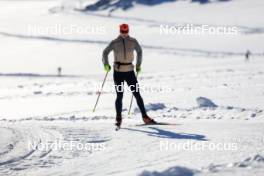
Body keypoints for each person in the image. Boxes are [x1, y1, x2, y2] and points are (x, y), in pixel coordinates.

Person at [102, 23, 156, 127]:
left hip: (130, 72)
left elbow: (140, 51)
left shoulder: (133, 41)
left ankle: (145, 117)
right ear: (119, 31)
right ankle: (118, 118)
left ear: (128, 31)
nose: (124, 33)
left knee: (137, 94)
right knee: (119, 96)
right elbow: (105, 52)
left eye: (126, 31)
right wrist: (106, 64)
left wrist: (138, 65)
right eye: (122, 31)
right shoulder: (114, 42)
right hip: (118, 73)